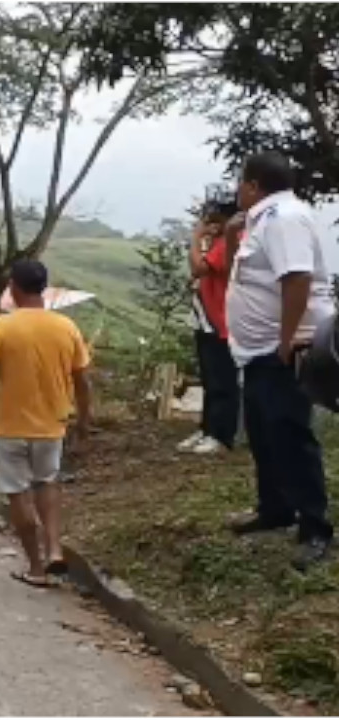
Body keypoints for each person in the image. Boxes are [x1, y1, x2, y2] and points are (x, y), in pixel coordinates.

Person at [226, 151, 334, 571]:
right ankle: (274, 508)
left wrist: (287, 341)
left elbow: (297, 279)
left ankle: (315, 528)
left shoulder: (284, 218)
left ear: (253, 185)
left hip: (282, 348)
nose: (237, 189)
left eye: (241, 182)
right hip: (257, 350)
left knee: (290, 434)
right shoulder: (263, 220)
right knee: (262, 430)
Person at [0, 260, 92, 588]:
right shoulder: (67, 328)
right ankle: (54, 550)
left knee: (17, 494)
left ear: (14, 288)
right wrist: (84, 423)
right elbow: (82, 382)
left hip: (9, 428)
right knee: (46, 483)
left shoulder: (1, 327)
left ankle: (36, 567)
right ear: (43, 288)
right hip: (52, 426)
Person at [177, 199, 239, 455]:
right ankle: (207, 428)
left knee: (222, 380)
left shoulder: (229, 245)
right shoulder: (218, 244)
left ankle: (222, 435)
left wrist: (196, 237)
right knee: (210, 379)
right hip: (206, 319)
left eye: (215, 221)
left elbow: (198, 267)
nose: (210, 227)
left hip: (221, 321)